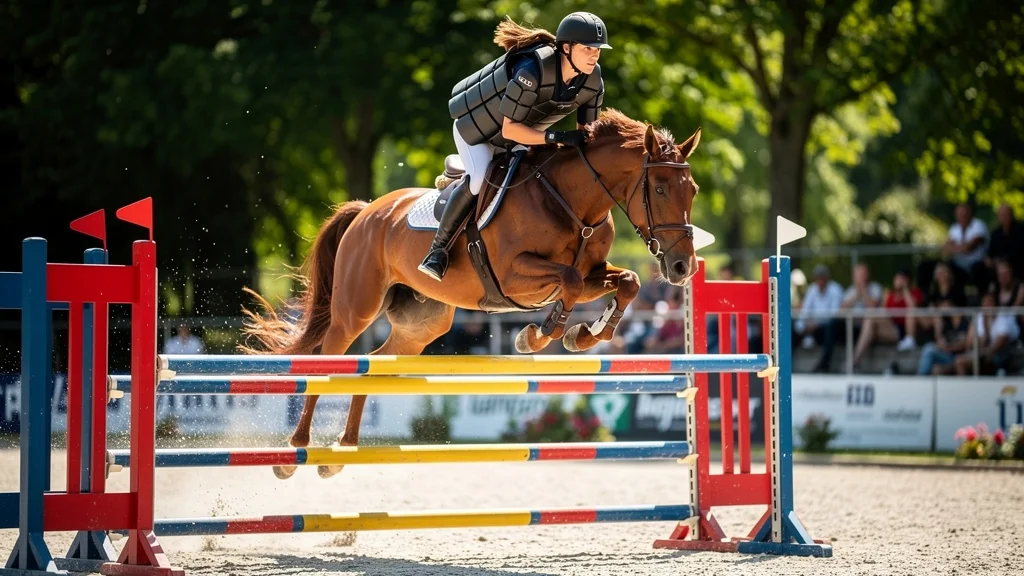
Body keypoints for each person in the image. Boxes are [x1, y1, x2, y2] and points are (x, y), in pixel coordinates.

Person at [418, 12, 611, 281]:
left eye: (598, 50)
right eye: (587, 48)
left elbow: (586, 135)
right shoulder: (531, 71)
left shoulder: (592, 82)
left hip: (521, 139)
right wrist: (556, 137)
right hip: (478, 134)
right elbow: (509, 129)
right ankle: (437, 251)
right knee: (479, 179)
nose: (594, 55)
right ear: (566, 48)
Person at [851, 268, 923, 370]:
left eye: (902, 279)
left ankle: (855, 360)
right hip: (891, 327)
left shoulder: (914, 293)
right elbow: (884, 312)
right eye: (897, 278)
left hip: (905, 330)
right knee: (870, 320)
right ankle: (855, 361)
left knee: (871, 319)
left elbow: (913, 308)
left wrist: (905, 290)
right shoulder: (889, 295)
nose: (898, 281)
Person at [793, 264, 844, 373]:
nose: (820, 281)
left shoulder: (835, 290)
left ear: (827, 278)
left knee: (831, 327)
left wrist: (816, 323)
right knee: (791, 329)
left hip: (829, 328)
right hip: (814, 327)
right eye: (818, 278)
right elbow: (805, 311)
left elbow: (834, 314)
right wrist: (803, 326)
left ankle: (825, 365)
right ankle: (787, 364)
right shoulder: (812, 290)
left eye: (822, 278)